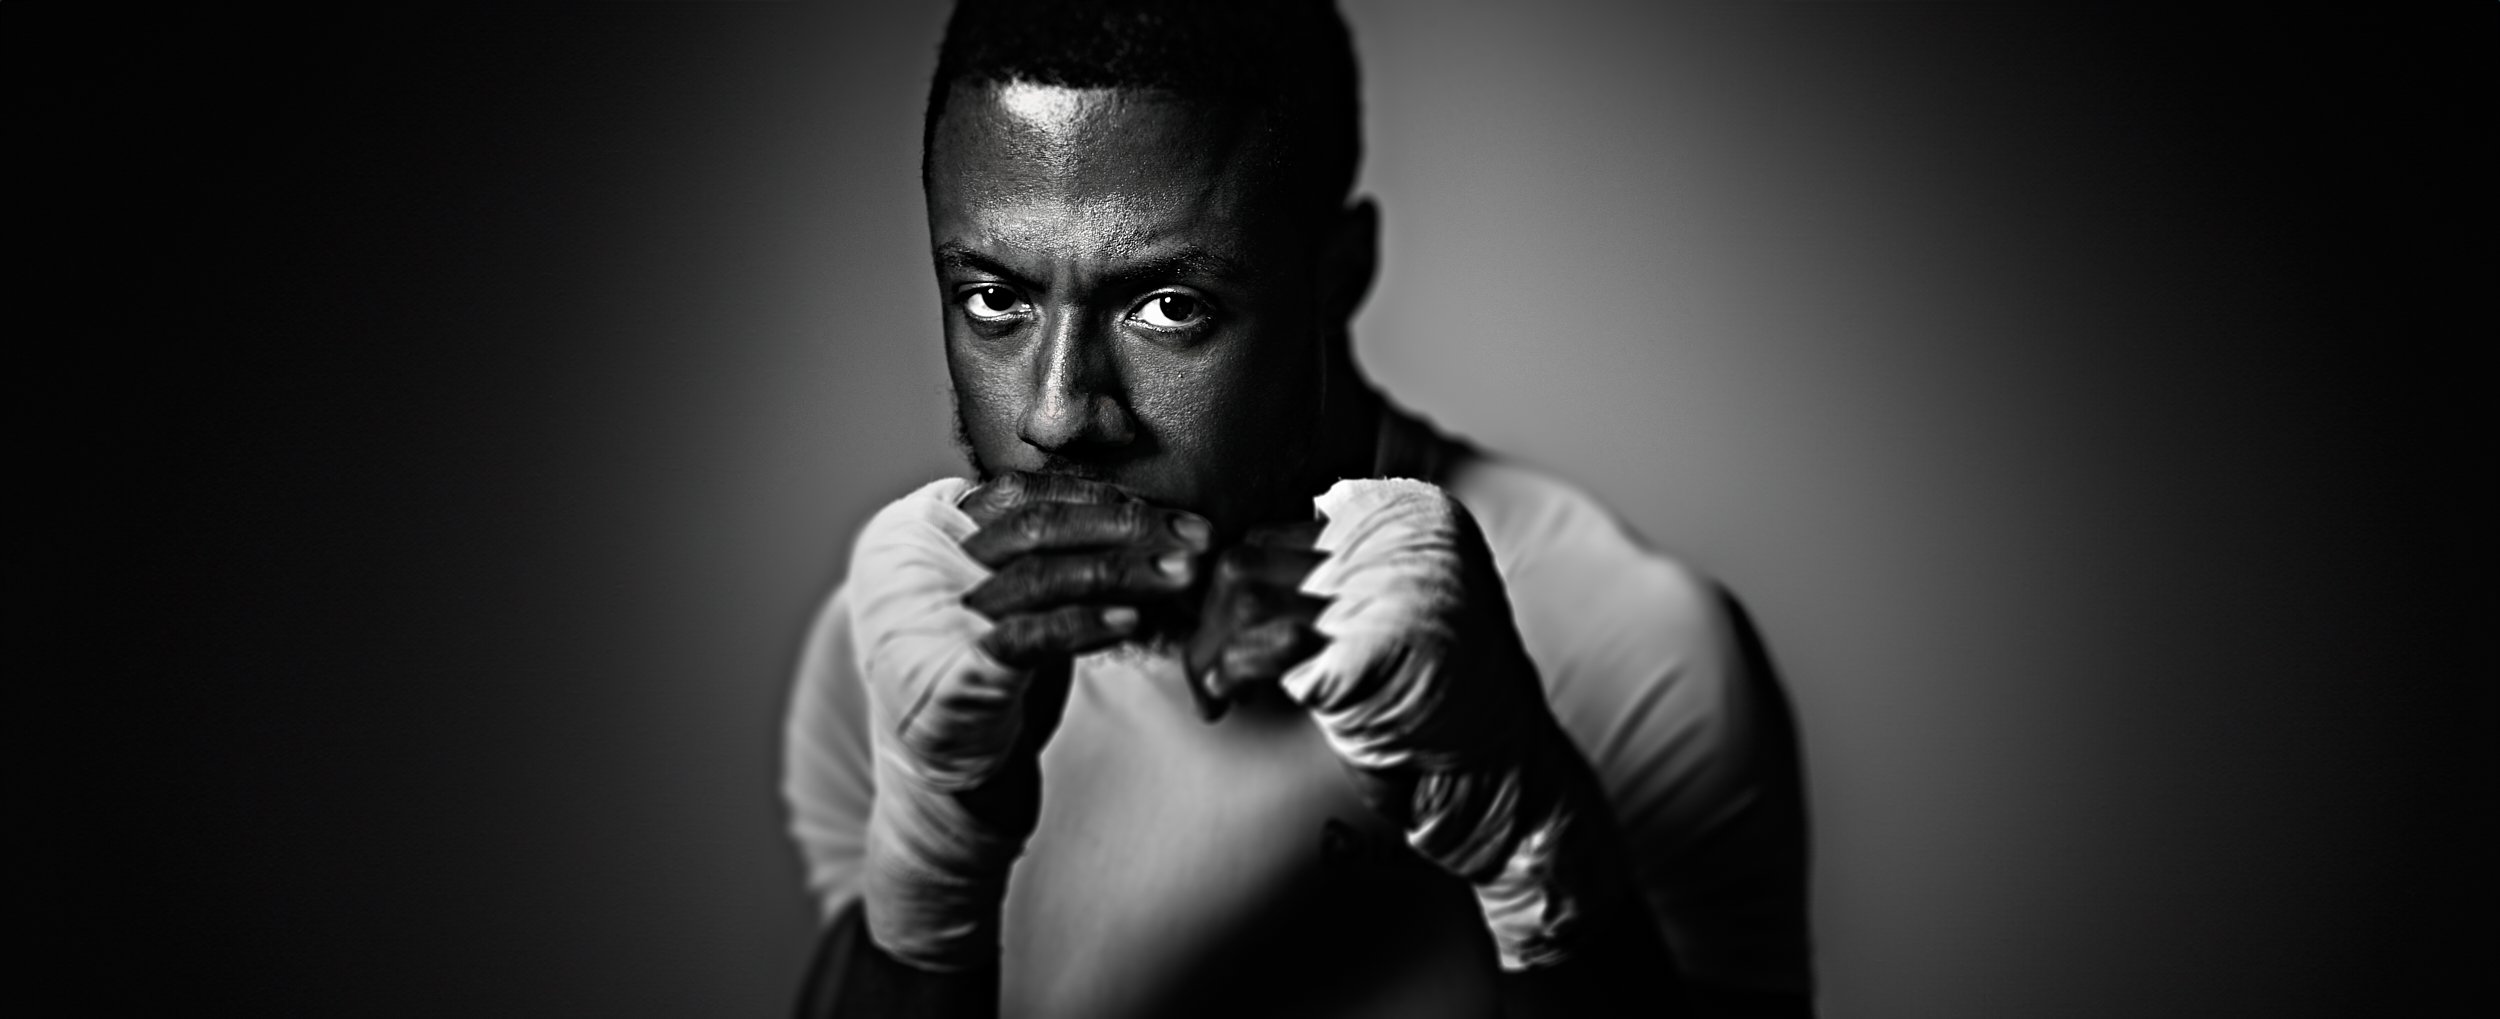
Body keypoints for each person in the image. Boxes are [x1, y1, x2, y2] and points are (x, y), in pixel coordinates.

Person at [781, 3, 1812, 1016]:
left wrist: (1530, 839)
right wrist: (929, 856)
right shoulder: (891, 647)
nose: (1056, 414)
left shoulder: (1628, 643)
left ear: (1337, 274)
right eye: (994, 298)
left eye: (1169, 305)